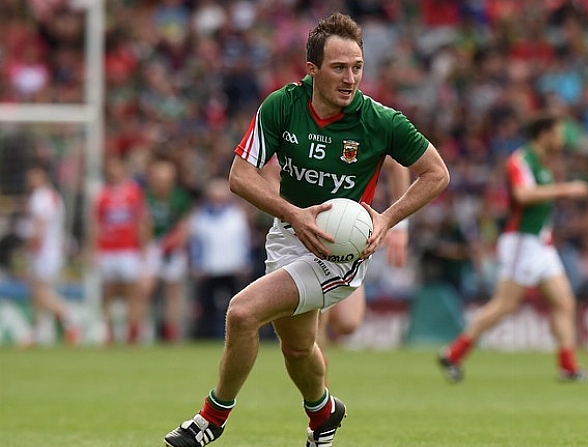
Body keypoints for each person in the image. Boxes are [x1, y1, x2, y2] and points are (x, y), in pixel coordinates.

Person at [164, 12, 449, 447]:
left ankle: (211, 419)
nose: (350, 77)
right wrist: (293, 213)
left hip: (340, 253)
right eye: (339, 67)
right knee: (297, 349)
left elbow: (436, 173)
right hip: (289, 236)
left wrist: (387, 219)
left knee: (242, 313)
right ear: (312, 69)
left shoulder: (381, 121)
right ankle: (324, 413)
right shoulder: (282, 106)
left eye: (357, 66)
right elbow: (240, 176)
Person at [438, 115, 588, 383]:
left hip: (541, 243)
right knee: (504, 305)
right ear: (543, 134)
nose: (561, 139)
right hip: (522, 241)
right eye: (557, 133)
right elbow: (522, 195)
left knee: (564, 302)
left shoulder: (544, 164)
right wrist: (565, 189)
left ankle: (568, 367)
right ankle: (453, 354)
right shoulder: (520, 161)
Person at [315, 156, 410, 350]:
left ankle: (313, 309)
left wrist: (399, 225)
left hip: (349, 236)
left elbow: (397, 164)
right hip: (313, 232)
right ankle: (318, 374)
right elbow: (270, 174)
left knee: (348, 322)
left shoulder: (364, 132)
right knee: (317, 317)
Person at [89, 155, 150, 345]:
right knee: (109, 292)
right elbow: (96, 224)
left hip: (128, 250)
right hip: (108, 250)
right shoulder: (102, 195)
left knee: (132, 292)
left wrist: (143, 248)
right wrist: (93, 250)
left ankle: (132, 333)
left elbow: (141, 221)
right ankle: (109, 332)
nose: (113, 171)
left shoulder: (133, 192)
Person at [21, 163, 81, 346]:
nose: (30, 180)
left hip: (44, 251)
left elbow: (40, 225)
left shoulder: (40, 197)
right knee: (38, 294)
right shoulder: (53, 196)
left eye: (34, 175)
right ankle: (35, 334)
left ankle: (70, 322)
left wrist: (28, 248)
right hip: (53, 250)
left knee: (40, 292)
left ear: (43, 177)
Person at [187, 178, 252, 340]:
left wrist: (245, 262)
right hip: (209, 268)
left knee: (236, 305)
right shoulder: (200, 216)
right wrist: (197, 264)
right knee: (206, 307)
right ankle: (205, 337)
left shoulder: (236, 215)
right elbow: (196, 242)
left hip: (232, 267)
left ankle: (237, 336)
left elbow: (244, 240)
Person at [141, 157, 193, 342]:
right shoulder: (146, 196)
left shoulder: (179, 197)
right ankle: (142, 330)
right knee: (145, 289)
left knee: (173, 292)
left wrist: (174, 243)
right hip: (153, 245)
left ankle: (172, 334)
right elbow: (142, 223)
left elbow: (184, 225)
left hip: (173, 247)